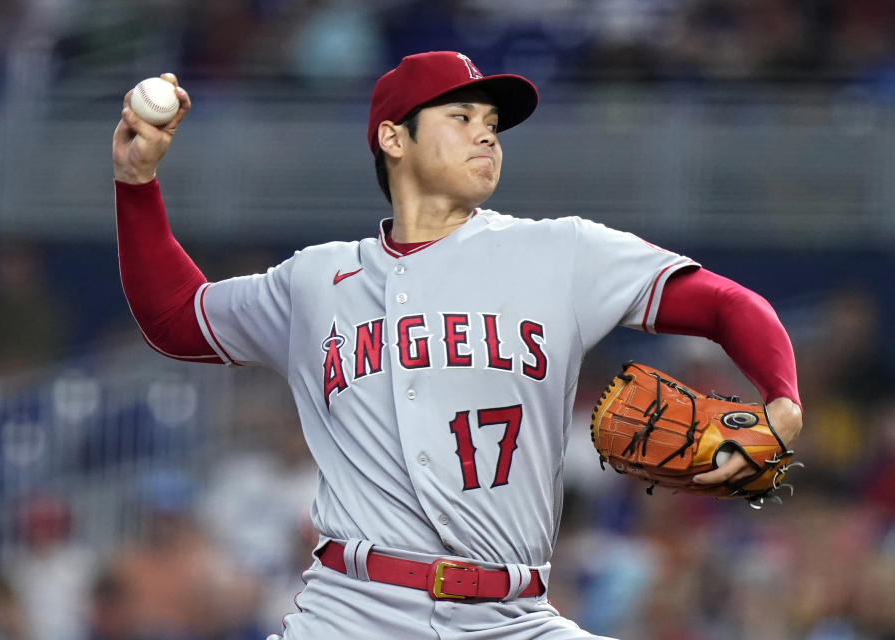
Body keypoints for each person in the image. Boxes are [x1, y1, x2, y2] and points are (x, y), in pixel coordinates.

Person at [111, 51, 803, 639]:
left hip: (513, 613)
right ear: (393, 138)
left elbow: (727, 305)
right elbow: (176, 317)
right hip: (353, 610)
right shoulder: (315, 281)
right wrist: (137, 185)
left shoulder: (560, 251)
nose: (487, 136)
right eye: (461, 118)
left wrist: (783, 405)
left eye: (493, 124)